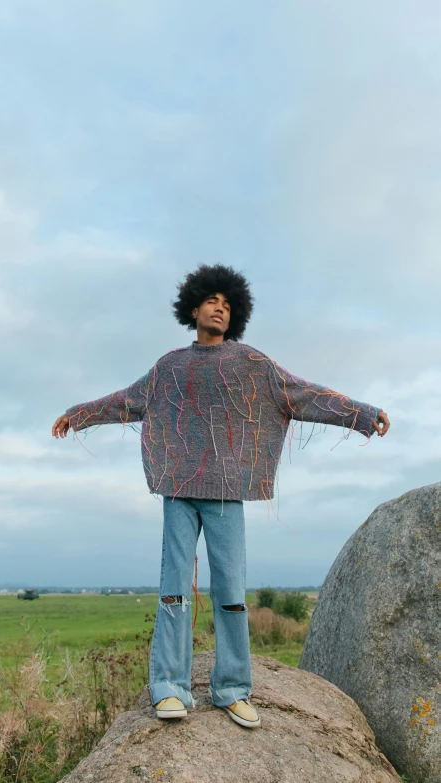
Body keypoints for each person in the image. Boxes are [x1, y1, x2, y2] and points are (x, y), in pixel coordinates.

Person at [52, 264, 390, 729]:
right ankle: (169, 687)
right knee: (175, 590)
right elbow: (126, 400)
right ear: (193, 308)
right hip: (179, 491)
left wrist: (361, 413)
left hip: (227, 494)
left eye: (228, 305)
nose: (220, 309)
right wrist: (78, 414)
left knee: (231, 592)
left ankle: (232, 689)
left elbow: (302, 394)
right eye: (212, 301)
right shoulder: (168, 366)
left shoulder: (253, 364)